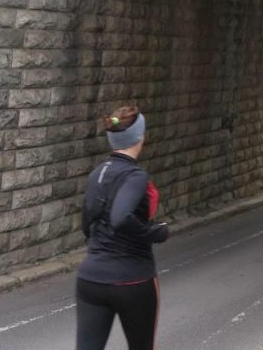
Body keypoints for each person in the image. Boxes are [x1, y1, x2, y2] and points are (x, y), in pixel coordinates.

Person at [76, 106, 169, 350]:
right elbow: (121, 216)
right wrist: (155, 232)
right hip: (132, 279)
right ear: (140, 137)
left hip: (91, 278)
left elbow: (87, 222)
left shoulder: (97, 173)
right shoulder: (135, 175)